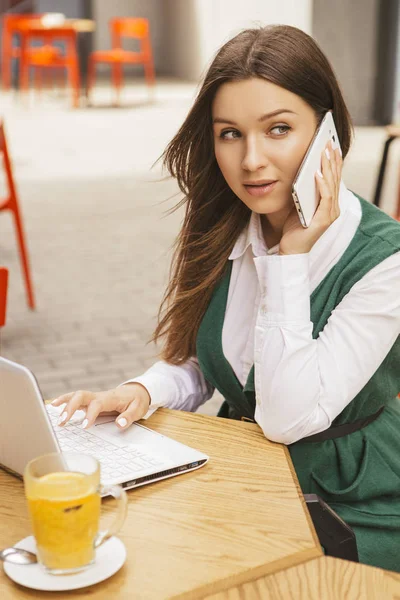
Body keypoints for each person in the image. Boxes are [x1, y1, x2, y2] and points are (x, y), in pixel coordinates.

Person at [52, 25, 400, 572]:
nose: (250, 160)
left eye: (278, 129)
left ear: (328, 133)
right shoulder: (226, 227)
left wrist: (290, 258)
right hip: (244, 473)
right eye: (230, 134)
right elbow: (208, 360)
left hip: (352, 501)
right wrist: (143, 389)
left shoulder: (385, 261)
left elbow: (286, 416)